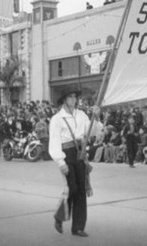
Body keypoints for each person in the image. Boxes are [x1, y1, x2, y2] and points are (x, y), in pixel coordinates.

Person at [48, 85, 100, 238]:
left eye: (75, 97)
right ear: (64, 99)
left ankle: (78, 227)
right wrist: (60, 162)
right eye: (70, 96)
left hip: (80, 152)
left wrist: (96, 117)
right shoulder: (57, 118)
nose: (73, 99)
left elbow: (93, 131)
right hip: (67, 154)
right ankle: (59, 216)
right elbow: (54, 142)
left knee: (81, 191)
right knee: (72, 188)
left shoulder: (82, 114)